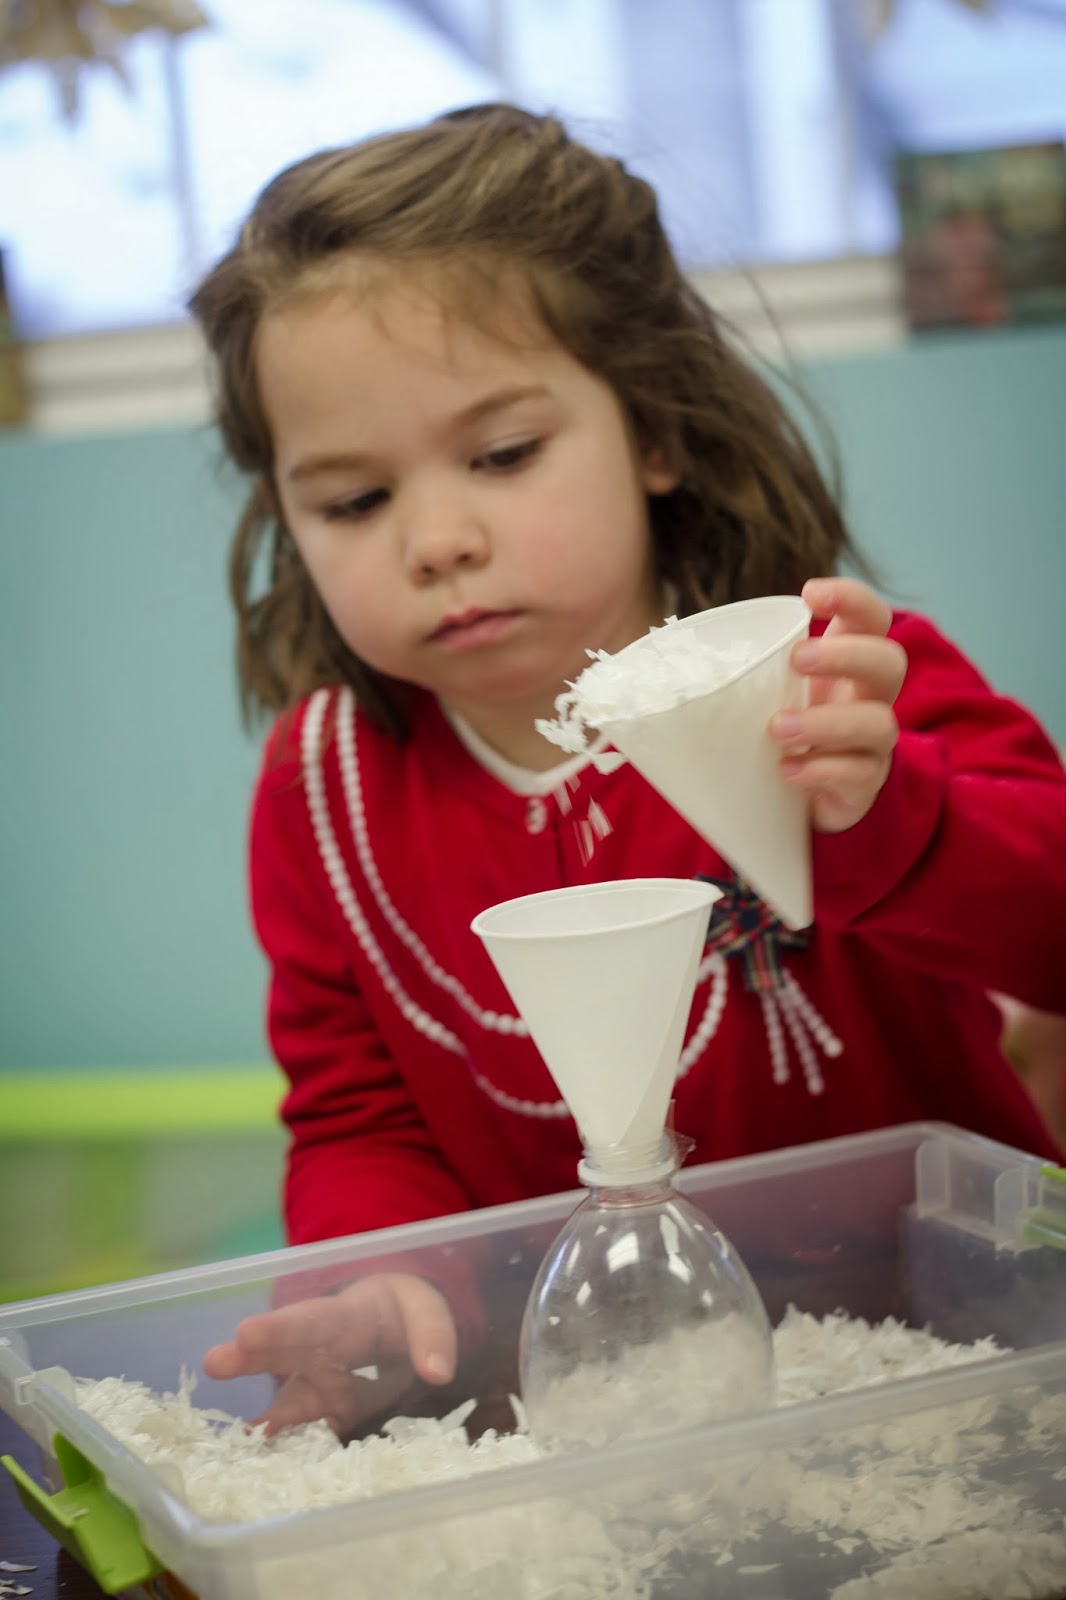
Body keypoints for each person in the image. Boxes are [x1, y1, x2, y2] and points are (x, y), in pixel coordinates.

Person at [188, 103, 1066, 1436]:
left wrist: (897, 821)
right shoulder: (325, 794)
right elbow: (359, 1120)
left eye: (500, 455)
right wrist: (385, 1280)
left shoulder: (826, 686)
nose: (434, 539)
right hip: (579, 1427)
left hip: (946, 1376)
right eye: (353, 500)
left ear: (652, 430)